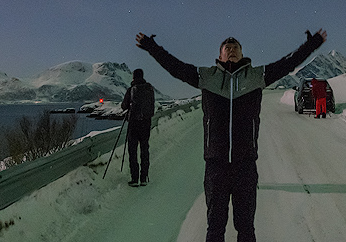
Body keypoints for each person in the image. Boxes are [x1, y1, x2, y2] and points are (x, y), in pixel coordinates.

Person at [137, 28, 326, 242]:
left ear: (242, 53)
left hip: (245, 166)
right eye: (227, 48)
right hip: (215, 166)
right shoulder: (206, 76)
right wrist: (152, 47)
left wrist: (311, 45)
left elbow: (287, 63)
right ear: (220, 55)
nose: (231, 50)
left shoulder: (257, 76)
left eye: (235, 47)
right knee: (215, 228)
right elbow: (175, 67)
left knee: (246, 229)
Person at [120, 67, 156, 186]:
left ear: (134, 77)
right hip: (146, 123)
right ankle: (144, 177)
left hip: (133, 124)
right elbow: (152, 105)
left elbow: (124, 106)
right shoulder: (149, 89)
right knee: (144, 150)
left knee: (133, 151)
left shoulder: (131, 89)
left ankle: (135, 178)